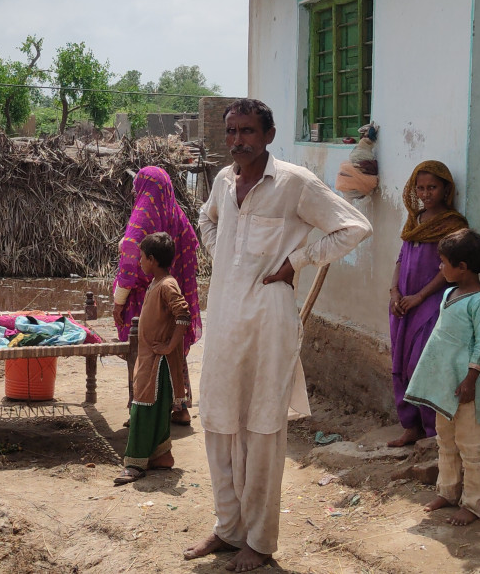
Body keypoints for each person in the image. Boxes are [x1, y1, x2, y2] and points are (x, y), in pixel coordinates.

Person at [185, 99, 371, 572]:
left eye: (247, 131)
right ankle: (228, 529)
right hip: (224, 320)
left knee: (263, 429)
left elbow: (355, 227)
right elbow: (206, 220)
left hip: (269, 320)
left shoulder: (294, 183)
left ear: (269, 135)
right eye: (230, 132)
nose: (237, 141)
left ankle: (260, 542)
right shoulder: (224, 181)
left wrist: (297, 262)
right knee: (220, 424)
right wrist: (219, 250)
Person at [404, 229, 480, 526]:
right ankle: (447, 490)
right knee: (445, 439)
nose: (440, 268)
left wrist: (470, 379)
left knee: (471, 445)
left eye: (443, 263)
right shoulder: (448, 293)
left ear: (463, 267)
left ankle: (474, 502)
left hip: (465, 388)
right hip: (445, 388)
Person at [112, 166, 202, 425]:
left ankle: (139, 410)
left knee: (144, 356)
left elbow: (130, 254)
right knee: (174, 354)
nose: (133, 192)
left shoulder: (142, 217)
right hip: (174, 298)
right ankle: (180, 407)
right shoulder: (177, 216)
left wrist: (118, 303)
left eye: (136, 187)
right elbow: (191, 249)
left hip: (146, 303)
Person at [388, 161, 468, 447]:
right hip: (403, 304)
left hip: (430, 303)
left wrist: (420, 297)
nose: (425, 193)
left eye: (432, 187)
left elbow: (445, 270)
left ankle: (433, 430)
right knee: (400, 363)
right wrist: (394, 291)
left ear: (446, 188)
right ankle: (410, 425)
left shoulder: (453, 225)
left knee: (423, 364)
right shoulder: (414, 221)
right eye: (420, 188)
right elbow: (400, 259)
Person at [113, 232, 190, 485]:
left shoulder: (167, 284)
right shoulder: (157, 283)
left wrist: (169, 346)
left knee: (142, 408)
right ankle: (161, 456)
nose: (140, 262)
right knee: (155, 409)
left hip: (158, 362)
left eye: (142, 258)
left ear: (153, 259)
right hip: (152, 359)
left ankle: (135, 463)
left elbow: (183, 314)